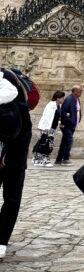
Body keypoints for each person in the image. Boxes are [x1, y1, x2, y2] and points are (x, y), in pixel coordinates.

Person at [0, 68, 33, 259]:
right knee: (12, 199)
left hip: (14, 155)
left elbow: (20, 129)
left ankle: (2, 239)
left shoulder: (14, 101)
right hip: (14, 155)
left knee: (11, 198)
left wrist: (8, 155)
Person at [55, 84, 82, 165]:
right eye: (80, 90)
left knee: (65, 141)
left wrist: (76, 121)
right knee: (69, 140)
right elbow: (63, 112)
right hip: (66, 125)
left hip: (72, 125)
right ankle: (65, 159)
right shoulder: (69, 99)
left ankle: (58, 159)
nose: (81, 92)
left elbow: (77, 110)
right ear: (75, 91)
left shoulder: (77, 99)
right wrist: (70, 120)